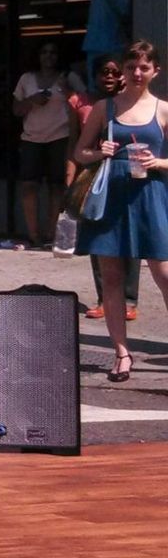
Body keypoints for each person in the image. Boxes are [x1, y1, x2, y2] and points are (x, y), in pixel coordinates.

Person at [73, 39, 168, 384]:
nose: (137, 73)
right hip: (111, 197)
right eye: (131, 67)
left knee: (165, 274)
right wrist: (101, 152)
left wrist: (158, 161)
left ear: (155, 71)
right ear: (124, 72)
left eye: (144, 67)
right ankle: (122, 354)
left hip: (152, 195)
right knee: (111, 279)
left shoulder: (163, 109)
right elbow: (79, 152)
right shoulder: (104, 108)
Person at [74, 57, 137, 319]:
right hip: (97, 176)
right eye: (104, 72)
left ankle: (129, 300)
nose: (109, 77)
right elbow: (76, 147)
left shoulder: (133, 104)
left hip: (130, 176)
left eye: (114, 72)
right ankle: (105, 298)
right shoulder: (91, 105)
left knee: (130, 240)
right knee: (100, 236)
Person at [15, 41, 87, 248]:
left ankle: (51, 234)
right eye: (44, 52)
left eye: (53, 52)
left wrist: (67, 93)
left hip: (60, 136)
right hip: (31, 138)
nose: (48, 56)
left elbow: (84, 103)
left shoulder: (68, 77)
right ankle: (33, 235)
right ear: (37, 56)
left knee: (57, 186)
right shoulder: (26, 79)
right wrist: (32, 100)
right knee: (29, 186)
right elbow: (16, 109)